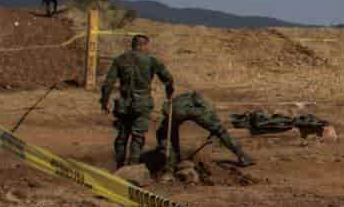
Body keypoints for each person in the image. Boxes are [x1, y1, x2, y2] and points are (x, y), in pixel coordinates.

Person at [99, 33, 174, 169]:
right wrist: (169, 94)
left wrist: (104, 102)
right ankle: (132, 168)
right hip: (143, 104)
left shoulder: (120, 60)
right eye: (147, 46)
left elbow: (107, 84)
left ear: (133, 45)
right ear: (143, 45)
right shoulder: (151, 61)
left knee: (122, 136)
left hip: (123, 105)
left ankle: (120, 166)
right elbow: (168, 78)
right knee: (138, 136)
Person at [157, 91, 254, 170]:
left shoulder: (177, 104)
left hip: (177, 109)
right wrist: (215, 130)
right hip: (194, 109)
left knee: (166, 133)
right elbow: (215, 122)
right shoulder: (205, 105)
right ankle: (242, 156)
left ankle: (173, 161)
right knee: (221, 131)